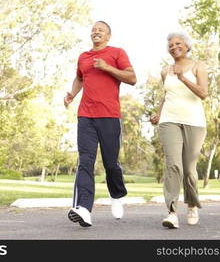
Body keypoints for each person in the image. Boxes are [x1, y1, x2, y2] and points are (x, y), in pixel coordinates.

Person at [64, 21, 137, 227]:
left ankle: (116, 195)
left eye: (100, 29)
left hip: (109, 116)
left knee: (110, 163)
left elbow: (132, 78)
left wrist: (107, 67)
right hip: (86, 115)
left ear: (108, 36)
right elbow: (79, 78)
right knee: (85, 161)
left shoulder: (117, 53)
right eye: (94, 29)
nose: (96, 31)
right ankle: (84, 209)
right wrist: (71, 94)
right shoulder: (83, 57)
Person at [150, 32, 208, 229]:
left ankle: (192, 204)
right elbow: (166, 96)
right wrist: (158, 114)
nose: (174, 47)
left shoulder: (198, 66)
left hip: (194, 122)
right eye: (170, 45)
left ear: (187, 46)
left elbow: (203, 93)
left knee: (189, 169)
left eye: (178, 43)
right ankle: (172, 212)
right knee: (173, 165)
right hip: (169, 120)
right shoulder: (166, 71)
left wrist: (183, 78)